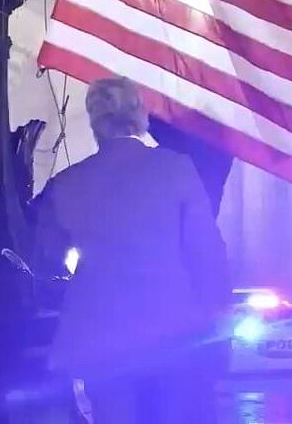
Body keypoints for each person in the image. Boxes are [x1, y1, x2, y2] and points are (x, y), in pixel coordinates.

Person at [32, 76, 231, 424]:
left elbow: (45, 259)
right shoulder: (176, 169)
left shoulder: (67, 184)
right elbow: (208, 254)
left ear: (95, 121)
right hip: (172, 335)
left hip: (101, 341)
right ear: (140, 115)